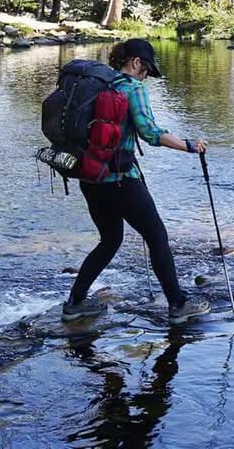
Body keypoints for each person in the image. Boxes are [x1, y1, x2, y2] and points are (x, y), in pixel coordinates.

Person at [62, 38, 211, 325]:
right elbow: (150, 132)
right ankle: (178, 304)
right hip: (121, 180)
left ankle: (76, 303)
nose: (147, 77)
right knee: (157, 237)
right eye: (147, 70)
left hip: (90, 177)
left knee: (110, 240)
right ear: (136, 62)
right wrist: (189, 145)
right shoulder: (133, 87)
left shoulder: (100, 85)